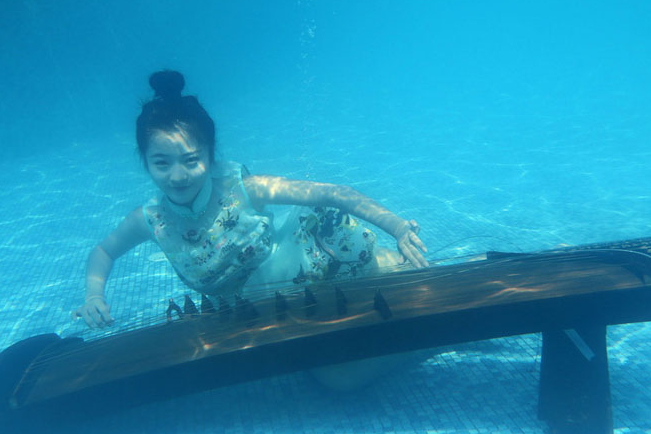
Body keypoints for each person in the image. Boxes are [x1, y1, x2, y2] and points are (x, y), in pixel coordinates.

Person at [75, 70, 428, 331]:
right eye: (161, 163)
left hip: (308, 274)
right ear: (145, 162)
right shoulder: (153, 220)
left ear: (211, 157)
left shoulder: (243, 188)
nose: (178, 176)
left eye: (191, 160)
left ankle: (401, 266)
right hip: (255, 315)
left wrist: (397, 226)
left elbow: (333, 194)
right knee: (338, 380)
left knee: (382, 287)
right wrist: (94, 295)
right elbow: (103, 252)